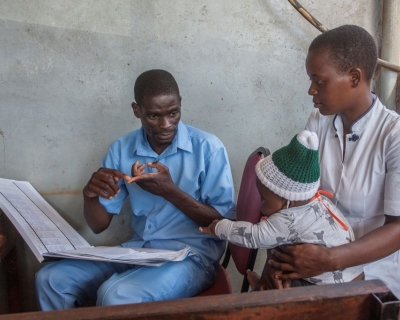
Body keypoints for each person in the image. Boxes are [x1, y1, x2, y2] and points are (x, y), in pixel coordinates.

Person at [35, 69, 235, 310]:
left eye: (173, 113)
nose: (166, 125)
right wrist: (89, 195)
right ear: (136, 110)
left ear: (180, 103)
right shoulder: (122, 148)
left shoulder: (208, 148)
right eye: (153, 116)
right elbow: (99, 226)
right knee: (51, 279)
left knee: (116, 295)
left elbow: (223, 224)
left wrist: (171, 192)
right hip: (140, 251)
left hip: (192, 258)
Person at [249, 25, 400, 295]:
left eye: (319, 80)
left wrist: (329, 260)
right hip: (312, 263)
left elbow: (398, 228)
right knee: (268, 299)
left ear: (354, 77)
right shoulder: (319, 123)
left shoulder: (393, 135)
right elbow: (293, 199)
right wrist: (279, 262)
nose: (310, 90)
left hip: (374, 268)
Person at [200, 130, 363, 285]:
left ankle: (264, 294)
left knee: (285, 288)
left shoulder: (290, 218)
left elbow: (254, 236)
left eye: (263, 199)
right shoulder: (319, 202)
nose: (260, 206)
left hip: (331, 287)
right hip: (353, 274)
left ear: (287, 200)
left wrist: (220, 227)